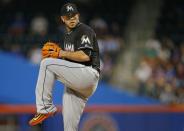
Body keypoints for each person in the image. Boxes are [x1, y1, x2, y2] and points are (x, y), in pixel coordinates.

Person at [29, 2, 100, 131]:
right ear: (63, 19)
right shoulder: (67, 37)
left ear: (78, 16)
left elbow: (85, 56)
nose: (71, 18)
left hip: (88, 75)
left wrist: (60, 53)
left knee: (46, 63)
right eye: (68, 16)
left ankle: (45, 107)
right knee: (69, 127)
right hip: (77, 84)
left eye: (74, 15)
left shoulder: (84, 30)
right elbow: (70, 61)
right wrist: (60, 56)